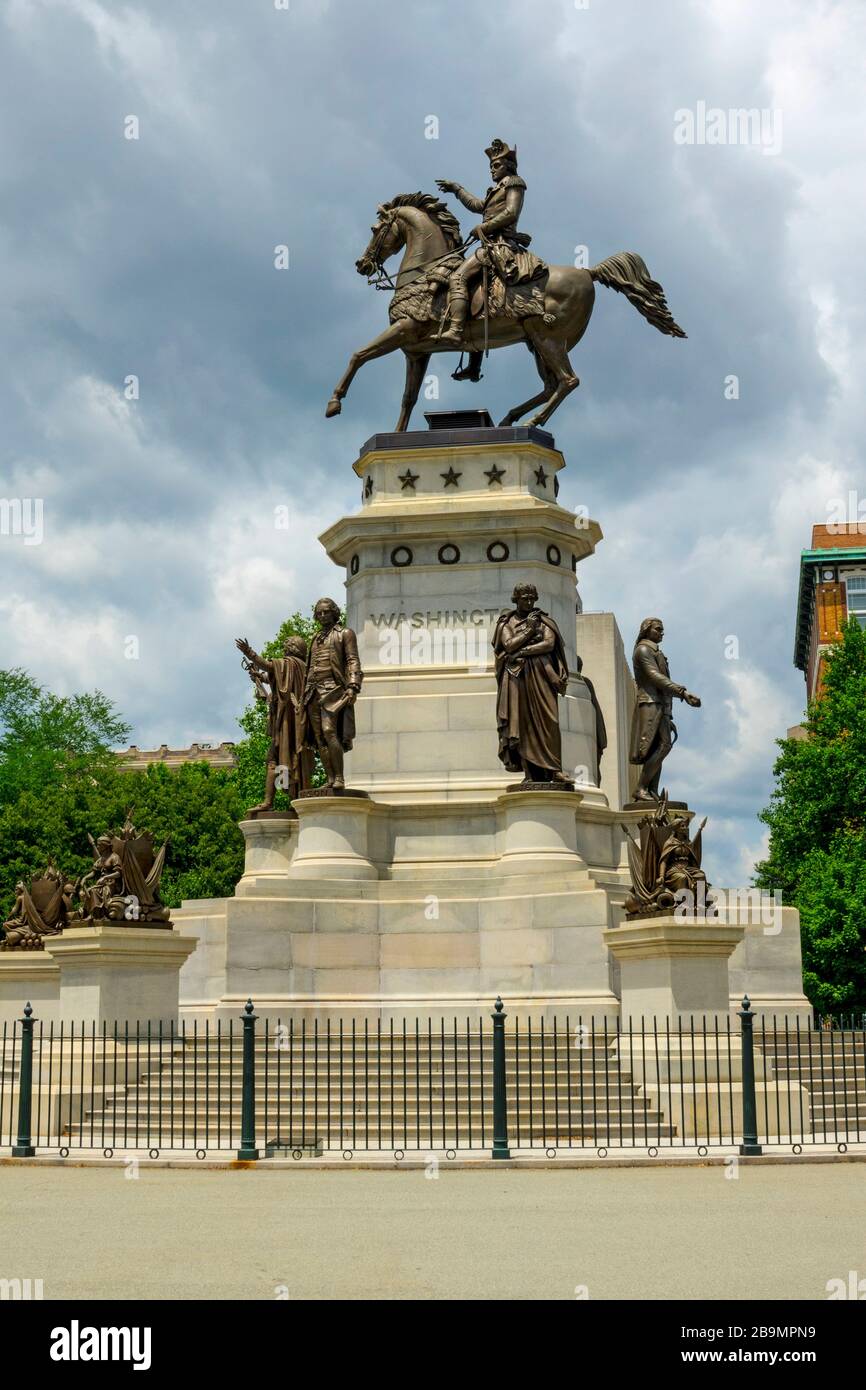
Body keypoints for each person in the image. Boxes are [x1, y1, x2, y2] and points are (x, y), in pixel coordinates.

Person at [492, 582, 571, 784]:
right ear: (516, 599)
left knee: (550, 720)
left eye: (531, 598)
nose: (528, 602)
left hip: (543, 675)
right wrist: (529, 631)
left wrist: (523, 650)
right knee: (522, 723)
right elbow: (508, 645)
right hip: (517, 678)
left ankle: (555, 769)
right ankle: (530, 774)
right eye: (524, 598)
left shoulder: (545, 621)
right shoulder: (506, 623)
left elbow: (549, 643)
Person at [236, 633, 313, 809]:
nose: (284, 647)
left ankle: (272, 801)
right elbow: (279, 680)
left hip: (287, 724)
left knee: (276, 760)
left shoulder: (290, 663)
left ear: (293, 648)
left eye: (287, 645)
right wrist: (261, 677)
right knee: (282, 761)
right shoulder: (302, 667)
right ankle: (283, 799)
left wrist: (250, 653)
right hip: (291, 723)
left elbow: (270, 666)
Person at [628, 617, 700, 801]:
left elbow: (661, 683)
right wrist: (682, 693)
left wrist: (668, 714)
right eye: (658, 629)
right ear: (646, 630)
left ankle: (651, 790)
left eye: (662, 630)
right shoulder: (643, 650)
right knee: (663, 746)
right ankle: (641, 788)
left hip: (660, 706)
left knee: (658, 748)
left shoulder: (656, 652)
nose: (661, 633)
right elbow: (655, 677)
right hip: (650, 704)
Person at [302, 598, 363, 791]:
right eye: (319, 613)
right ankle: (329, 778)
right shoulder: (314, 637)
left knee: (330, 731)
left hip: (333, 690)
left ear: (334, 612)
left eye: (326, 612)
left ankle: (339, 777)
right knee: (318, 737)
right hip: (312, 691)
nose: (322, 616)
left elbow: (352, 659)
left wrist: (353, 685)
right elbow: (310, 666)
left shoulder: (345, 634)